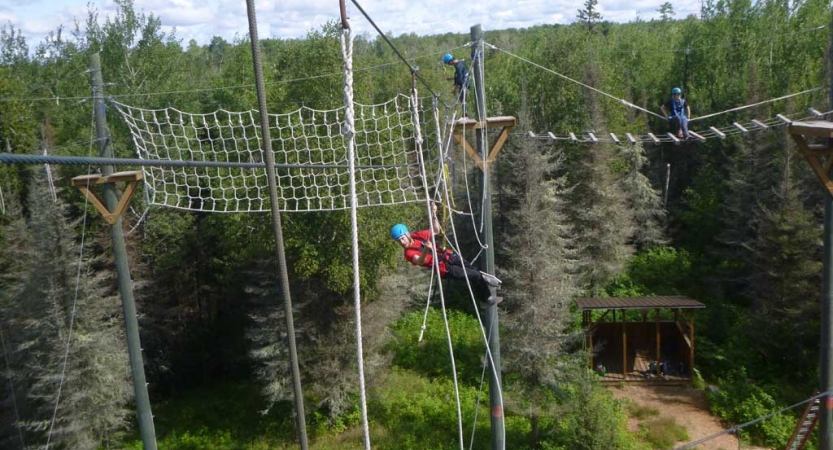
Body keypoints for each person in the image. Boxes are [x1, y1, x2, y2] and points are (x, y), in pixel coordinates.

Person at [391, 203, 502, 308]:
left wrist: (433, 214)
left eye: (402, 238)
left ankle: (485, 295)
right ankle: (487, 297)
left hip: (449, 256)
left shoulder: (417, 236)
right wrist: (426, 250)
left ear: (407, 234)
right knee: (474, 275)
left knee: (473, 272)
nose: (401, 242)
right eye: (398, 240)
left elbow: (436, 230)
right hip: (445, 268)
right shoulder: (408, 253)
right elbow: (419, 261)